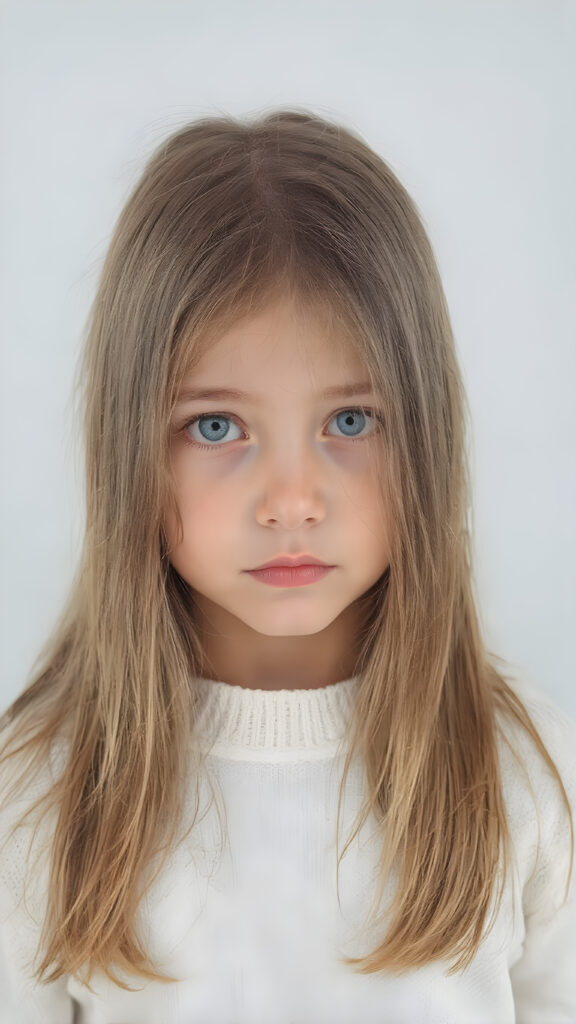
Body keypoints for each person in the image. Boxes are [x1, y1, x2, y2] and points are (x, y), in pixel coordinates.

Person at [0, 109, 574, 1024]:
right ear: (130, 450)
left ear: (424, 434)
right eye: (217, 427)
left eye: (350, 422)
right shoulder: (43, 789)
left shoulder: (526, 771)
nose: (294, 499)